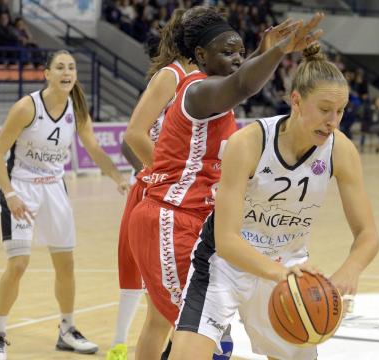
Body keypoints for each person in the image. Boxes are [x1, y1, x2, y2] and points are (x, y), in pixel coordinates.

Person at [124, 8, 323, 360]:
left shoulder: (214, 97)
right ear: (201, 55)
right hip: (171, 220)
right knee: (210, 341)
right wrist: (277, 52)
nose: (236, 59)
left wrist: (265, 50)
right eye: (226, 52)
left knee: (165, 322)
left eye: (240, 53)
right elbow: (243, 84)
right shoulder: (197, 92)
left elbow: (239, 78)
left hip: (196, 223)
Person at [169, 43, 379, 360]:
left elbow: (368, 235)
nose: (333, 121)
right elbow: (227, 241)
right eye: (325, 110)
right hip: (225, 265)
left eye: (340, 111)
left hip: (289, 262)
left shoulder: (341, 151)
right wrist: (279, 275)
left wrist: (349, 271)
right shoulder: (249, 143)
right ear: (296, 101)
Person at [0, 49, 129, 360]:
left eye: (72, 67)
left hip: (54, 189)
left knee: (66, 264)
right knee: (18, 264)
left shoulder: (77, 109)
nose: (67, 72)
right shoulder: (27, 107)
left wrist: (118, 176)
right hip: (21, 188)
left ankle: (67, 329)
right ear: (47, 73)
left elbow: (93, 148)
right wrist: (9, 194)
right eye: (60, 67)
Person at [105, 9, 198, 360]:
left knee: (179, 310)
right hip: (160, 195)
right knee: (161, 312)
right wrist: (171, 172)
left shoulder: (203, 80)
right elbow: (134, 135)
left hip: (190, 200)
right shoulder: (170, 76)